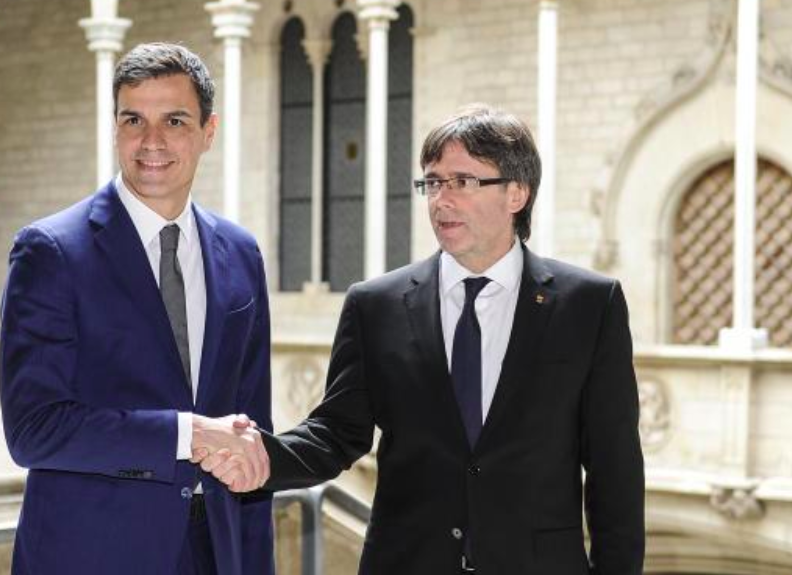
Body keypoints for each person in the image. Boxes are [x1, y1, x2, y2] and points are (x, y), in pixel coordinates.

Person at [201, 105, 645, 573]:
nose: (441, 200)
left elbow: (615, 470)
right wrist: (259, 455)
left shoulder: (590, 306)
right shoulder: (375, 305)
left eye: (463, 181)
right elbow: (337, 433)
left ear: (517, 193)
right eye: (433, 182)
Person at [0, 42, 273, 575]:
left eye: (174, 120)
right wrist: (187, 433)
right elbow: (33, 429)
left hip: (216, 554)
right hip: (91, 556)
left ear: (207, 132)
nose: (151, 141)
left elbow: (251, 433)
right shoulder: (51, 252)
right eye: (133, 119)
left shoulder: (241, 253)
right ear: (116, 127)